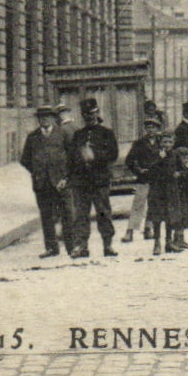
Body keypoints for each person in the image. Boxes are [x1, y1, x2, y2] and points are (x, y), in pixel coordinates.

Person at [68, 98, 120, 259]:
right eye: (86, 115)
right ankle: (81, 246)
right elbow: (71, 158)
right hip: (81, 182)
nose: (89, 117)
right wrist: (79, 161)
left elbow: (113, 154)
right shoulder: (78, 135)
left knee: (103, 213)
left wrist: (94, 156)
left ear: (97, 113)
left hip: (100, 181)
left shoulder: (107, 133)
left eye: (92, 113)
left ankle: (108, 244)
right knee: (81, 215)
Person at [20, 105, 73, 258]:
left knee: (67, 214)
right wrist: (37, 172)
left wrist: (66, 177)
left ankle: (71, 247)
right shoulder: (33, 137)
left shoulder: (63, 133)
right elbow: (25, 159)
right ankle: (51, 248)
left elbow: (73, 157)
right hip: (42, 183)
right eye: (41, 117)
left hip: (61, 182)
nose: (44, 120)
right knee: (46, 216)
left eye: (47, 117)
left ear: (53, 118)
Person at [123, 118, 163, 239]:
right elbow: (129, 160)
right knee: (138, 204)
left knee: (153, 204)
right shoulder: (139, 143)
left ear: (157, 129)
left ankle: (148, 228)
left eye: (153, 127)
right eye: (148, 127)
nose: (150, 130)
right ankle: (130, 231)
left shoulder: (161, 143)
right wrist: (138, 171)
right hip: (143, 178)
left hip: (157, 178)